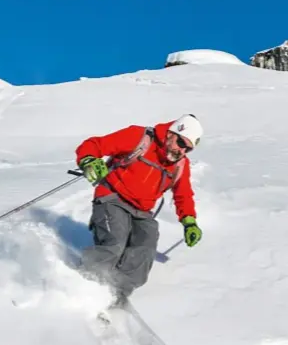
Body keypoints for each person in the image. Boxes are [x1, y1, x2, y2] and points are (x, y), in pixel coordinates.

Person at [75, 114, 203, 303]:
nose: (181, 151)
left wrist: (189, 221)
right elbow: (94, 144)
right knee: (114, 243)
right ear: (171, 133)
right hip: (113, 198)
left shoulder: (180, 165)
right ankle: (85, 285)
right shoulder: (139, 137)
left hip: (142, 212)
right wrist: (88, 160)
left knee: (145, 249)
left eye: (187, 149)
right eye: (181, 143)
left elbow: (183, 194)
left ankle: (115, 294)